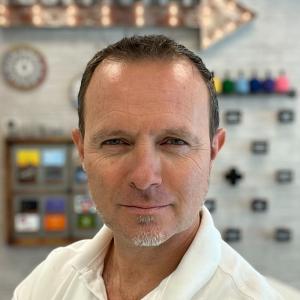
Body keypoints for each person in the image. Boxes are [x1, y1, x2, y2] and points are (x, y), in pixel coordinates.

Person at [13, 35, 284, 300]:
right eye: (115, 141)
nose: (144, 178)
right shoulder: (47, 282)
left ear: (214, 150)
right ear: (82, 150)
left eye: (174, 142)